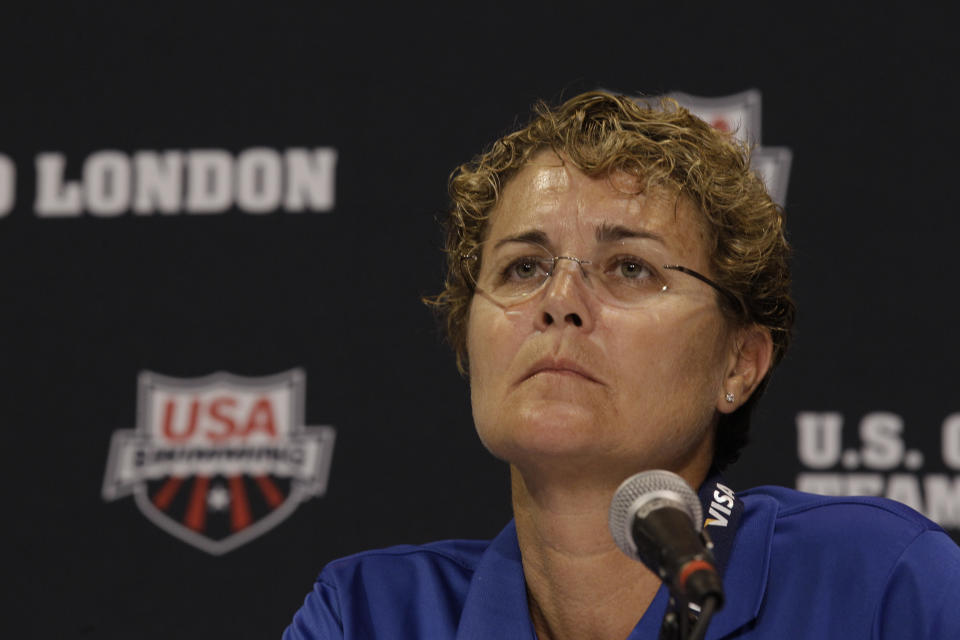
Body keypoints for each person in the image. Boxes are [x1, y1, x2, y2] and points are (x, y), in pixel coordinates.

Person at [284, 92, 960, 639]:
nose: (559, 303)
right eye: (523, 268)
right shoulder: (369, 616)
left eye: (630, 268)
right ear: (466, 338)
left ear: (739, 363)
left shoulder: (879, 585)